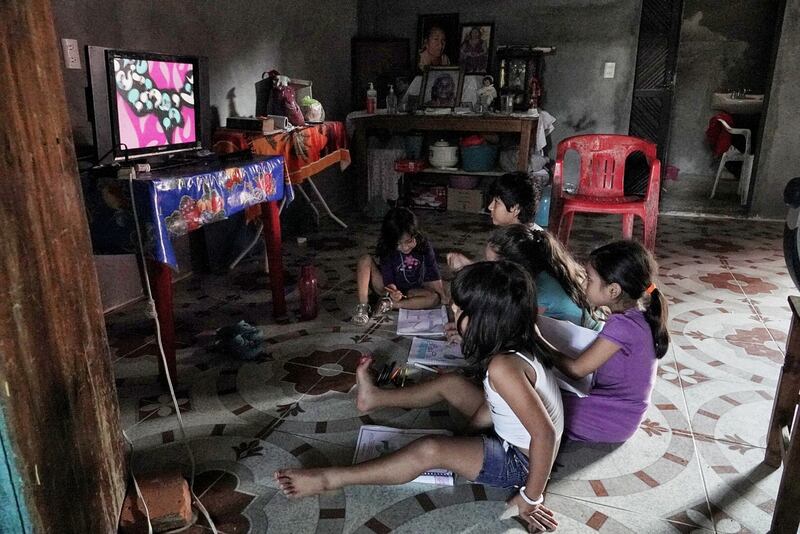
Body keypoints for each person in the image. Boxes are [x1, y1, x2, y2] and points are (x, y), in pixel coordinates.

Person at [275, 261, 563, 532]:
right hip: (518, 438)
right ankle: (374, 397)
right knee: (450, 383)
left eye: (459, 311)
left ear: (483, 321)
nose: (453, 313)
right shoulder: (520, 339)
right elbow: (499, 405)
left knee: (431, 449)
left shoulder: (503, 367)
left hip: (521, 462)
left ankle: (330, 478)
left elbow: (544, 435)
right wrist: (468, 435)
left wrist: (532, 496)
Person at [552, 240, 669, 443]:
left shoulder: (624, 326)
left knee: (534, 405)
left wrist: (537, 339)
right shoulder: (636, 316)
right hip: (618, 412)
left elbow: (576, 370)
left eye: (589, 280)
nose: (584, 284)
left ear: (613, 291)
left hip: (613, 419)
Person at [485, 225, 597, 329]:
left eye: (491, 264)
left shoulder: (539, 293)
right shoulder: (540, 269)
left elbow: (512, 326)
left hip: (571, 343)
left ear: (515, 266)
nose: (487, 269)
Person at [352, 207, 444, 325]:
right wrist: (392, 291)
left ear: (415, 234)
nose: (404, 248)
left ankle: (391, 305)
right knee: (364, 260)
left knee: (434, 298)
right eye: (398, 244)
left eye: (408, 241)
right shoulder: (387, 247)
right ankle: (363, 306)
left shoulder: (424, 246)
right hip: (386, 287)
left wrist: (442, 295)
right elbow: (388, 276)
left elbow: (433, 272)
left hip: (412, 291)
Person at [447, 172, 541, 271]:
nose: (490, 207)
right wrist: (469, 265)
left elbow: (503, 282)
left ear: (515, 208)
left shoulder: (519, 247)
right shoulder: (532, 233)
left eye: (497, 202)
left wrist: (465, 268)